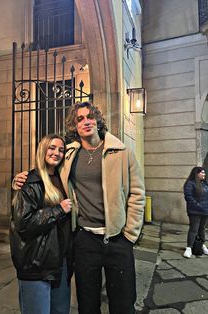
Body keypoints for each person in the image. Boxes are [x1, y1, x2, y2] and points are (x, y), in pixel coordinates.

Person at [13, 101, 145, 314]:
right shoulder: (69, 155)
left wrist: (130, 234)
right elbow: (46, 169)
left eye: (90, 116)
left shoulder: (122, 152)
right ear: (75, 126)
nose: (86, 121)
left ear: (98, 120)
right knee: (88, 304)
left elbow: (137, 194)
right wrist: (22, 178)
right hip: (85, 240)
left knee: (123, 303)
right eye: (80, 118)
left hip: (118, 239)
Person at [10, 134, 73, 314]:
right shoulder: (31, 181)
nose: (56, 153)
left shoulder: (64, 180)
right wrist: (58, 210)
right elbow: (24, 222)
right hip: (36, 263)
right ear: (42, 150)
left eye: (61, 150)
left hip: (60, 262)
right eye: (52, 148)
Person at [183, 166, 208, 258]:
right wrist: (199, 207)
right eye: (202, 172)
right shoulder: (190, 184)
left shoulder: (205, 184)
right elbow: (188, 197)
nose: (204, 174)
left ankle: (202, 245)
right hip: (195, 212)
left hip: (205, 211)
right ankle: (189, 248)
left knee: (202, 229)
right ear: (196, 174)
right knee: (194, 229)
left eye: (204, 172)